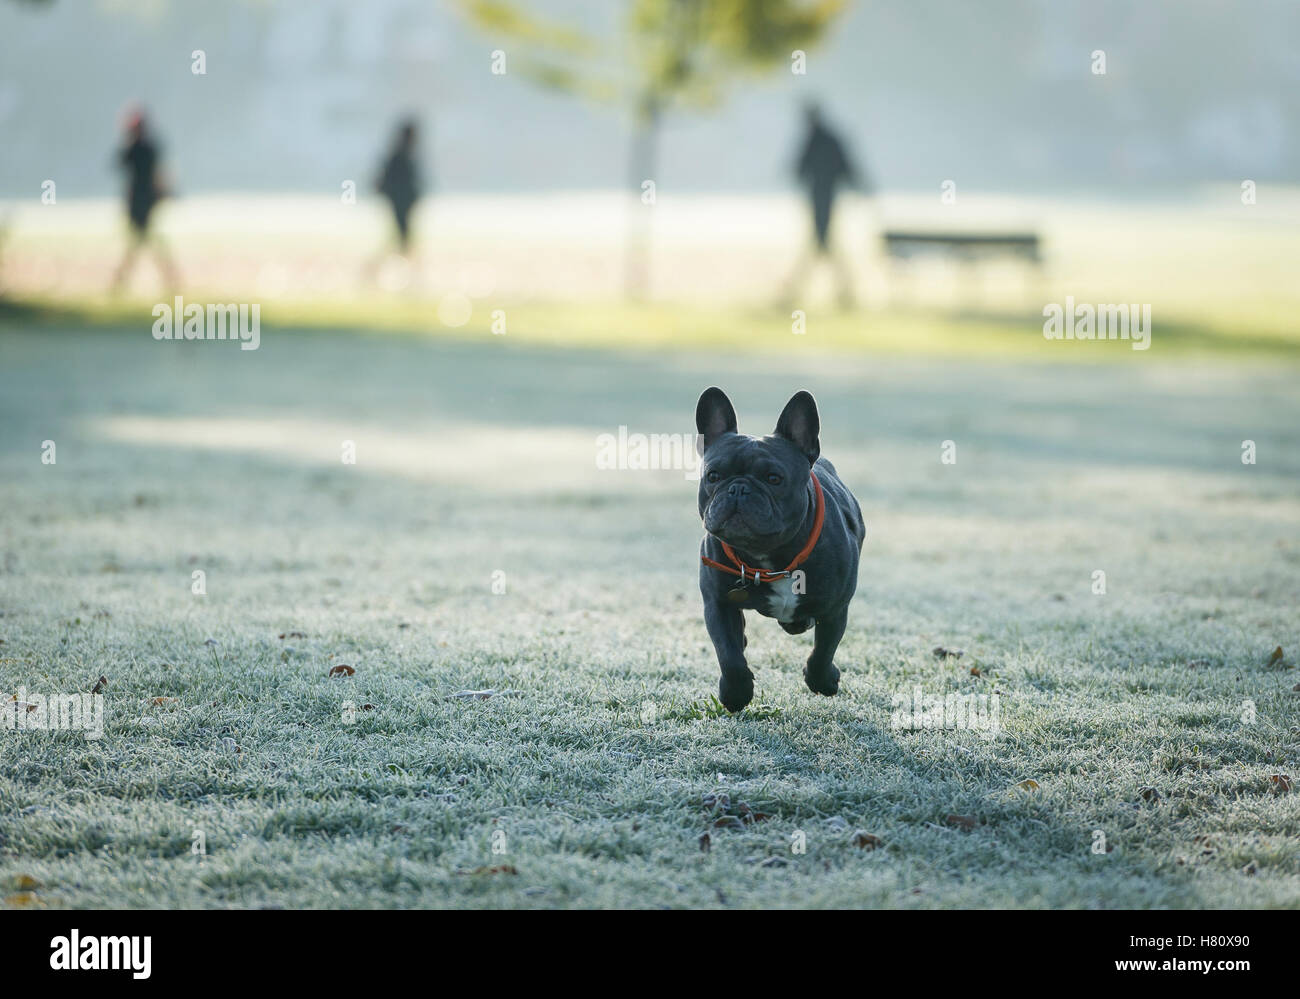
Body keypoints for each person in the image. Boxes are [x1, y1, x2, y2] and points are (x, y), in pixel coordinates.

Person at [782, 102, 867, 308]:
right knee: (823, 243)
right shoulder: (827, 139)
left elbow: (798, 169)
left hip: (821, 198)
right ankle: (843, 294)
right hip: (824, 197)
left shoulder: (816, 139)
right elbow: (847, 168)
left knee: (822, 242)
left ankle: (799, 294)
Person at [110, 106, 178, 292]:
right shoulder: (144, 148)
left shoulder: (139, 148)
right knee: (143, 242)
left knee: (140, 243)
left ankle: (120, 282)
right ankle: (168, 279)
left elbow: (120, 164)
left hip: (142, 202)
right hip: (142, 202)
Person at [375, 118, 423, 257]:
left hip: (402, 202)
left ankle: (403, 265)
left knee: (400, 237)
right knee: (401, 237)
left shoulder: (403, 154)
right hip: (400, 202)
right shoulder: (400, 156)